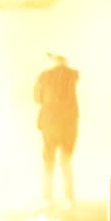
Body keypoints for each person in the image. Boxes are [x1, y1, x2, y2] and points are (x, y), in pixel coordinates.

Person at [35, 52, 79, 211]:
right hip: (69, 125)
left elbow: (36, 98)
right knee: (66, 161)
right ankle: (69, 199)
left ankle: (47, 199)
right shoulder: (71, 76)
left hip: (50, 123)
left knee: (48, 162)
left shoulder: (44, 76)